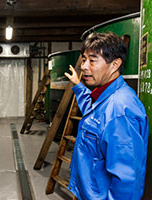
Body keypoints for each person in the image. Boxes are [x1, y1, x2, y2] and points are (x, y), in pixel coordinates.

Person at [64, 32, 149, 199]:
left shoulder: (120, 111)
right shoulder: (104, 96)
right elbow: (92, 108)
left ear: (115, 64)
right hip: (90, 192)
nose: (84, 67)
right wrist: (77, 84)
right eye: (84, 60)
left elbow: (127, 184)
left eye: (92, 60)